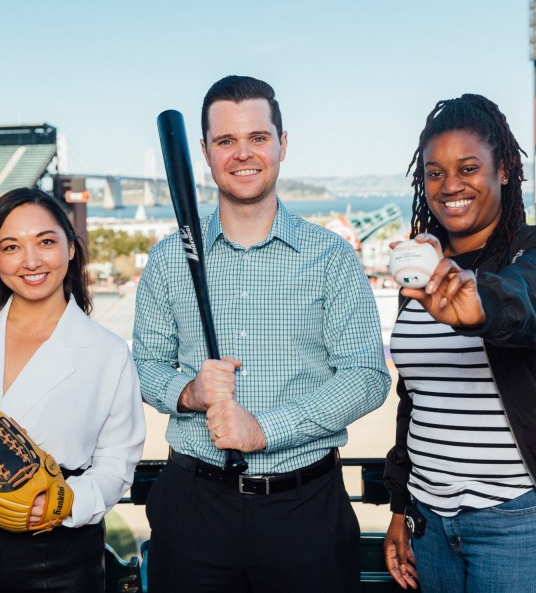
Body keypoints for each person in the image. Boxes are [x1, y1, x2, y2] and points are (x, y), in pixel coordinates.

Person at [133, 75, 390, 592]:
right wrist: (187, 393)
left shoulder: (330, 257)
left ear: (282, 143)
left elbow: (366, 376)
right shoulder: (166, 260)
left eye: (258, 138)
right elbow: (145, 364)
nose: (243, 153)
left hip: (304, 509)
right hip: (194, 506)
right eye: (226, 141)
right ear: (205, 152)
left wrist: (267, 429)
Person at [382, 94, 536, 592]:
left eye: (468, 168)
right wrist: (401, 507)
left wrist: (479, 306)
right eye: (434, 173)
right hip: (431, 525)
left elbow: (529, 304)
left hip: (525, 523)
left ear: (504, 171)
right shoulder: (420, 275)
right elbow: (414, 400)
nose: (450, 185)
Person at [0, 187, 145, 592]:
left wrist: (66, 500)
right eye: (11, 246)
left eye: (46, 242)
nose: (31, 261)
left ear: (70, 248)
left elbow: (117, 463)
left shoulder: (107, 352)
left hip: (61, 560)